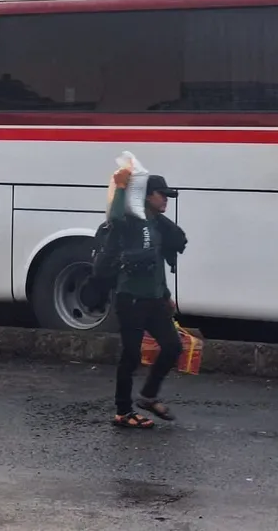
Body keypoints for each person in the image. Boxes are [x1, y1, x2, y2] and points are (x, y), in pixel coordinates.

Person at [98, 167, 188, 430]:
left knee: (172, 347)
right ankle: (123, 412)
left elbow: (156, 264)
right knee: (131, 355)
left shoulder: (158, 225)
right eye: (162, 195)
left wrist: (166, 296)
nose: (166, 199)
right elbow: (114, 215)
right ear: (148, 196)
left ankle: (148, 396)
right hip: (131, 300)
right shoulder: (131, 221)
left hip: (154, 300)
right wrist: (121, 187)